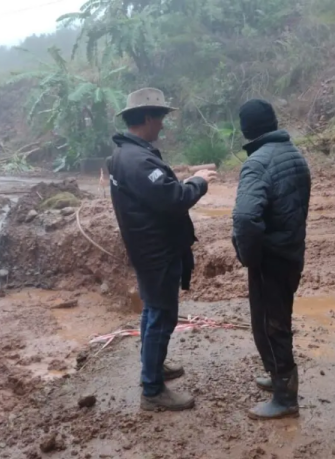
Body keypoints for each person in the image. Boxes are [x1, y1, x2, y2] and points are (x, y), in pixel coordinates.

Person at [107, 87, 217, 411]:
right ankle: (153, 390)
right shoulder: (138, 159)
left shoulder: (125, 155)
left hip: (146, 249)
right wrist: (198, 182)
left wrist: (182, 179)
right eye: (161, 119)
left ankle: (152, 368)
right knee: (161, 315)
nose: (163, 126)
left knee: (152, 311)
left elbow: (156, 193)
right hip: (157, 253)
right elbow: (174, 200)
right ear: (147, 117)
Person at [231, 99, 311, 420]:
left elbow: (246, 218)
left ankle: (284, 397)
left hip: (271, 258)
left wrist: (248, 256)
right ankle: (279, 375)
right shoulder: (295, 154)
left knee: (268, 325)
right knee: (281, 318)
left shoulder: (258, 163)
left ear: (246, 130)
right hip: (292, 253)